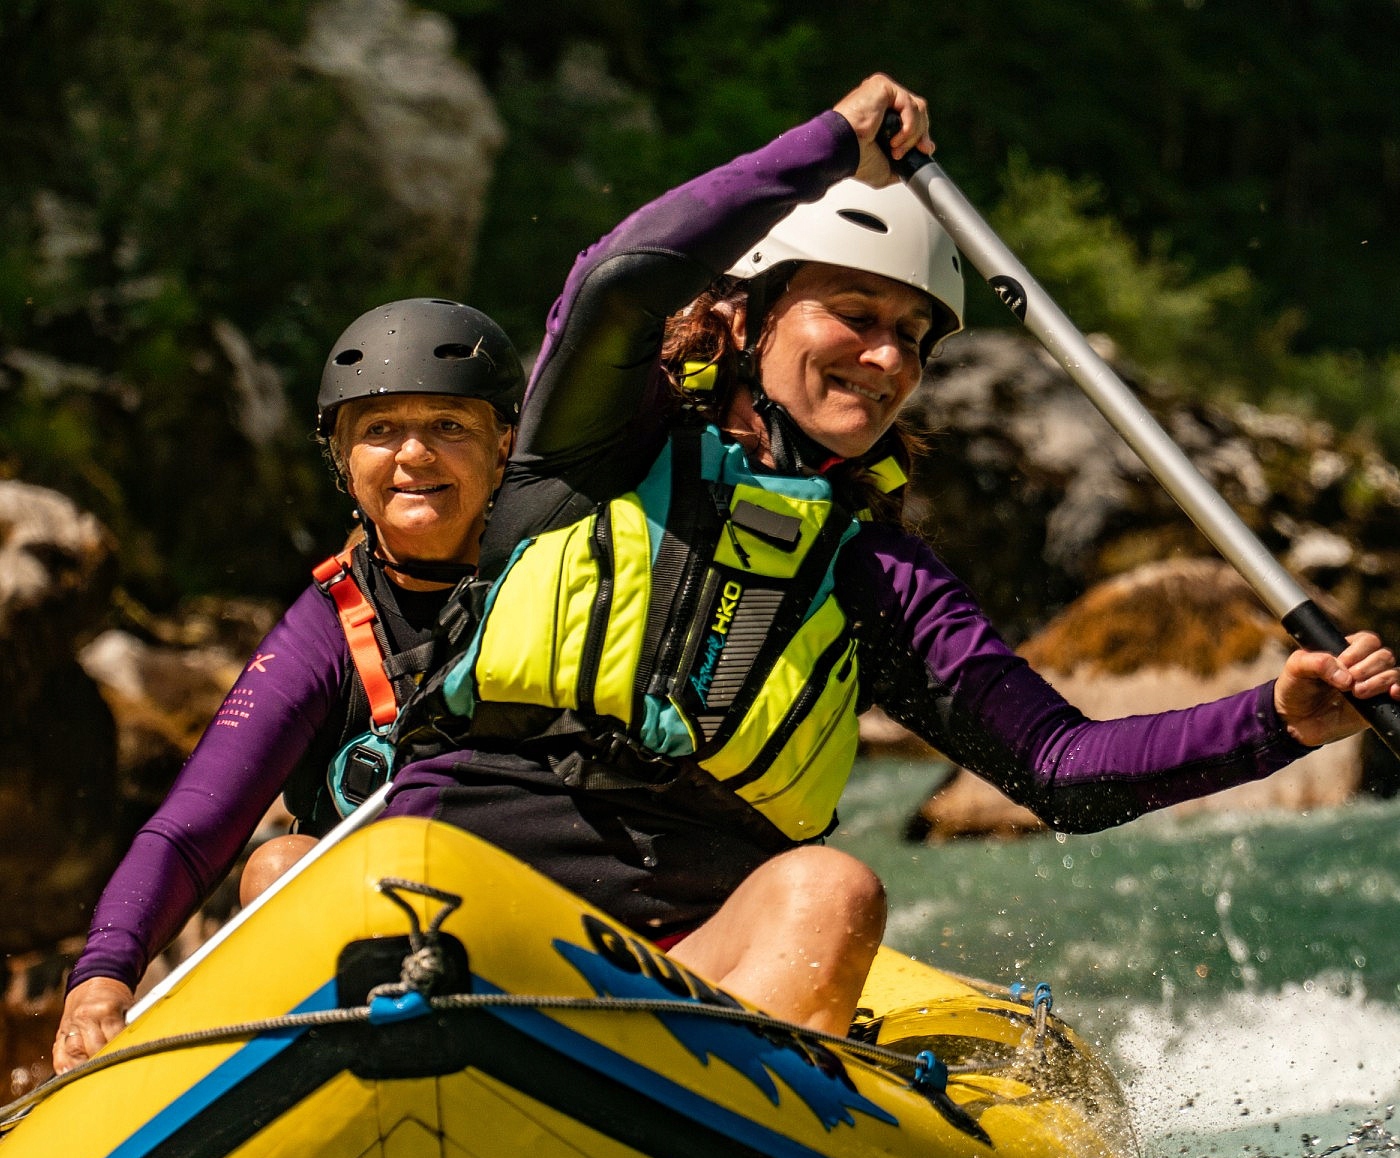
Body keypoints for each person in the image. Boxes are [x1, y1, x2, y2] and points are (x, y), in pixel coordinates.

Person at [380, 74, 1399, 1036]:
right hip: (460, 881)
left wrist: (1278, 722)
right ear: (742, 317)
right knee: (305, 855)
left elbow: (1059, 768)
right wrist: (829, 145)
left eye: (913, 336)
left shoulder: (876, 574)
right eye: (855, 316)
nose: (887, 360)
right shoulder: (596, 447)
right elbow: (619, 279)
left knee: (833, 889)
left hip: (686, 963)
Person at [52, 298, 524, 1071]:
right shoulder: (327, 627)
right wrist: (101, 980)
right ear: (343, 459)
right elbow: (194, 827)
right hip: (387, 947)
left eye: (448, 425)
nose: (414, 454)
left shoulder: (563, 577)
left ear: (504, 445)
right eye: (380, 430)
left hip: (541, 924)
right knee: (277, 864)